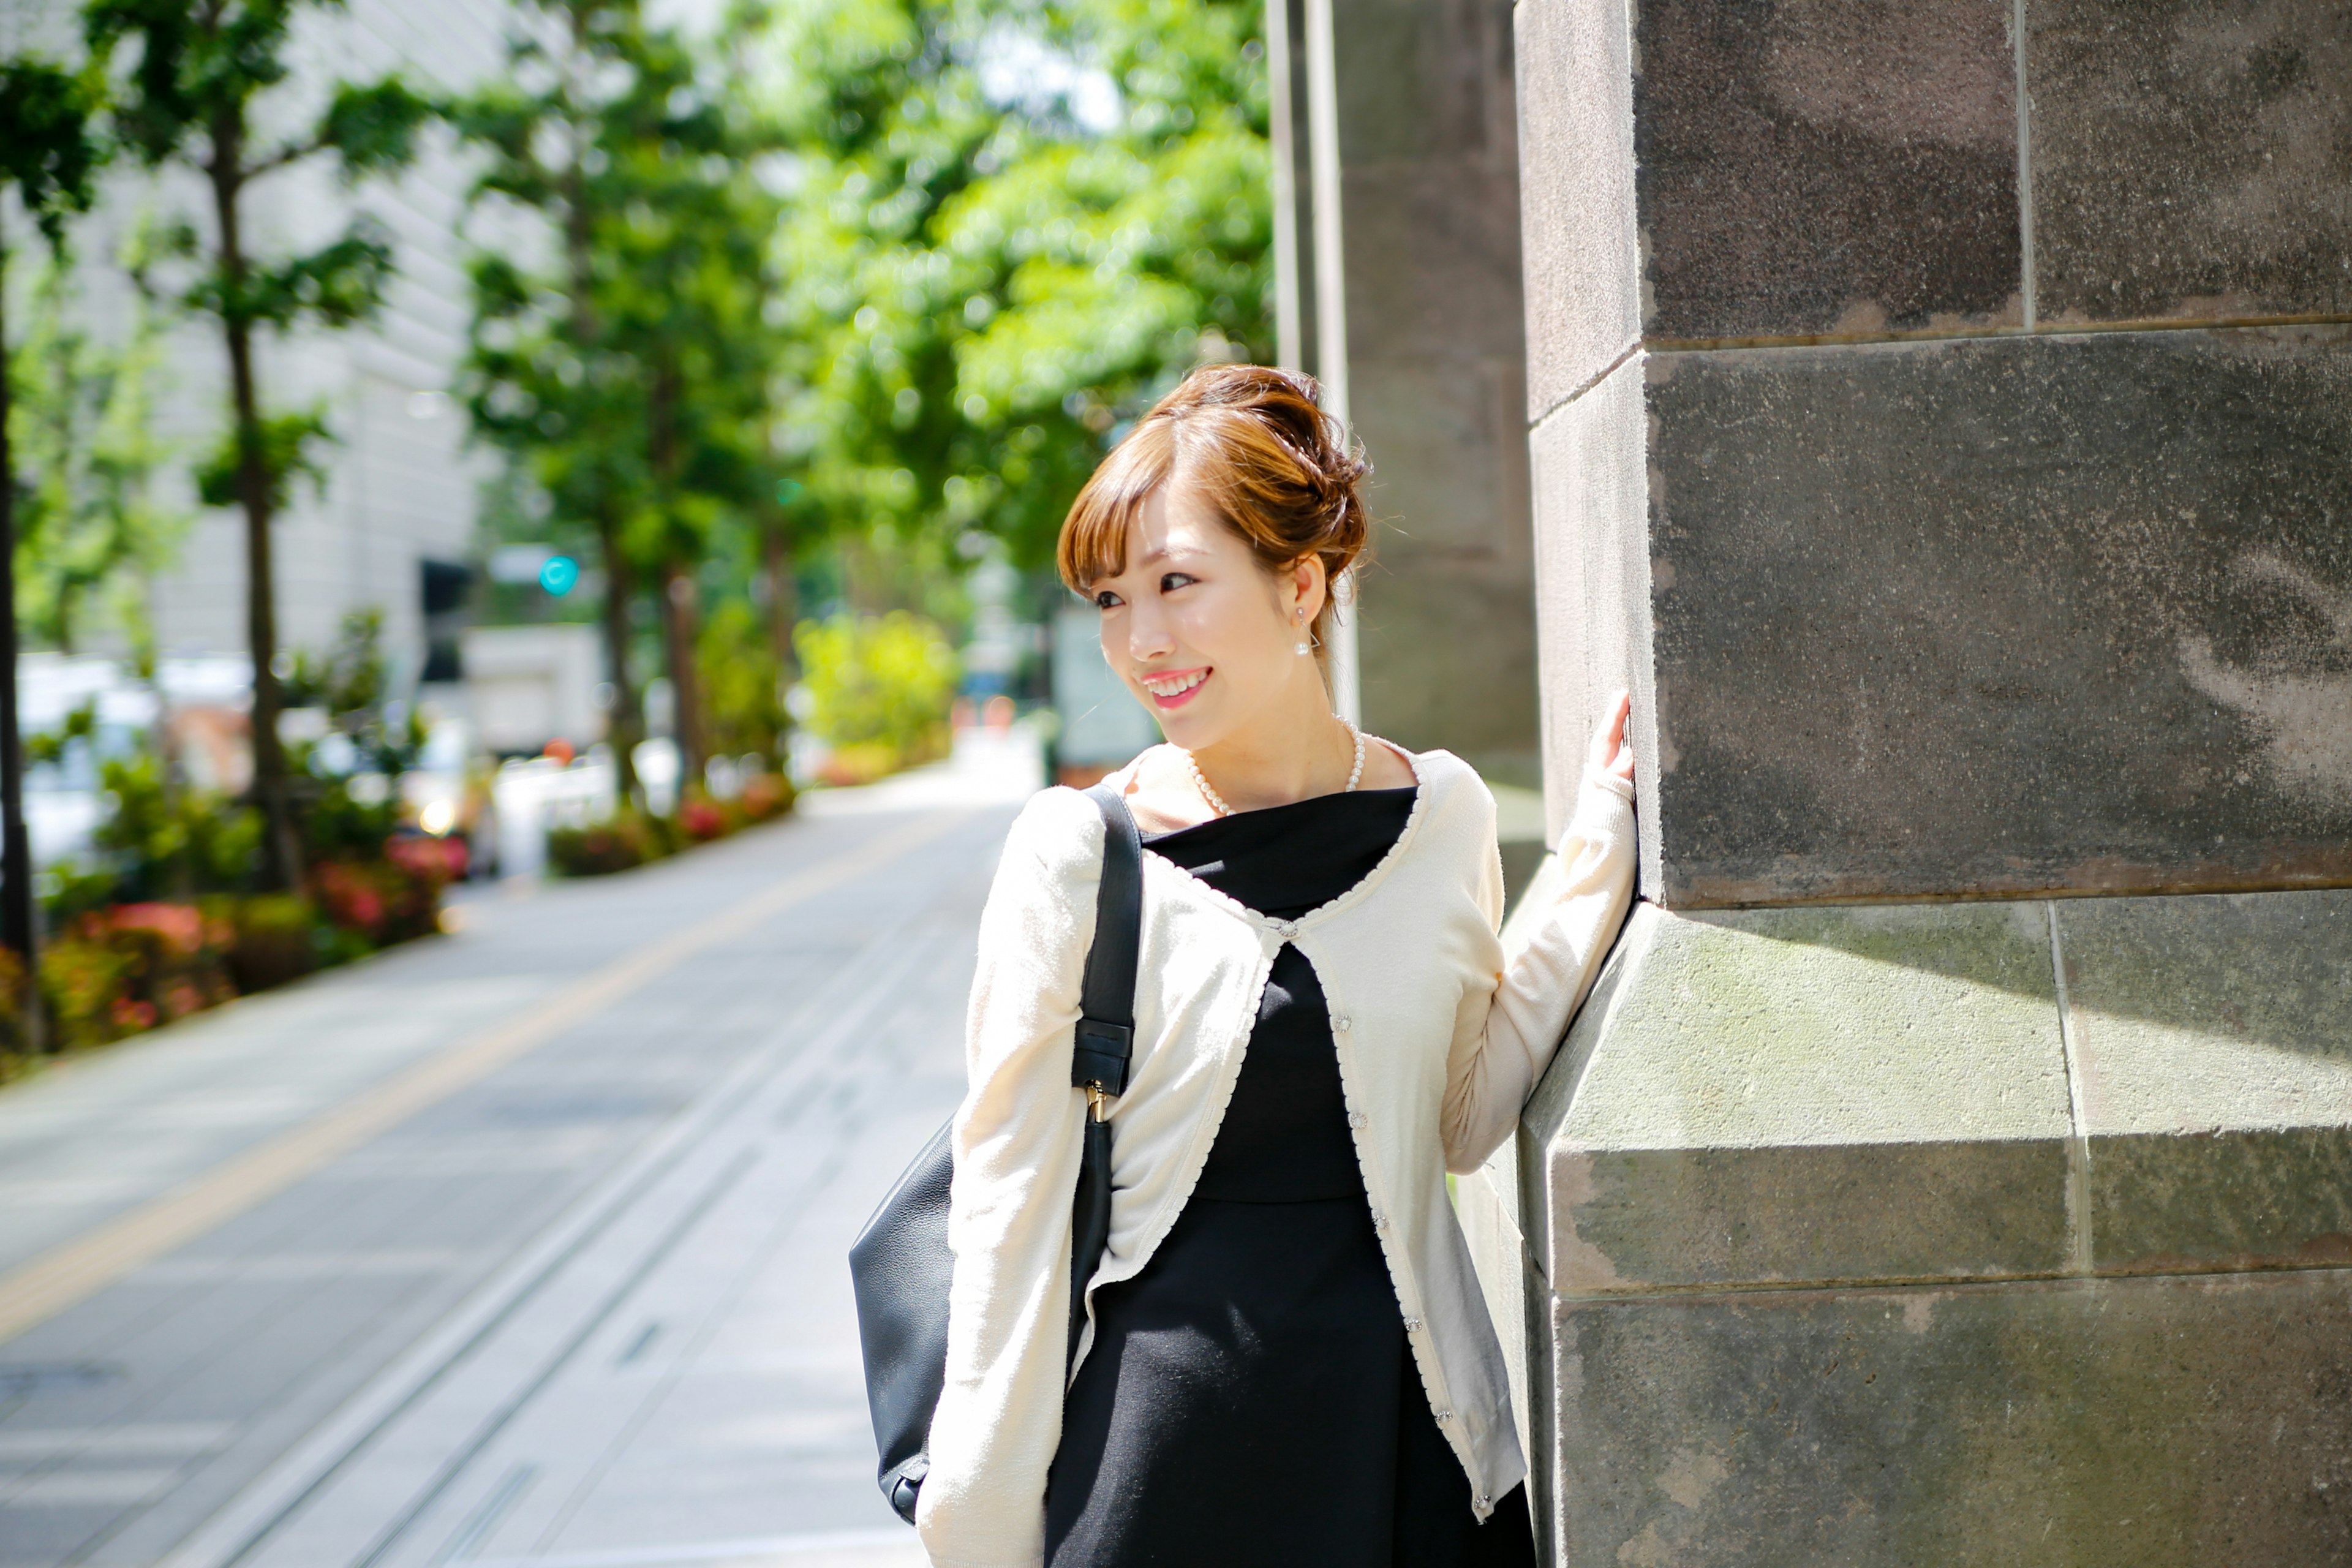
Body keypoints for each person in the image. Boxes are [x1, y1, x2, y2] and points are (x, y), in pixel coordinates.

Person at [918, 364, 1636, 1568]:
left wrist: (1600, 851)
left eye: (1179, 584)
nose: (1142, 641)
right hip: (1164, 1466)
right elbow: (1008, 1214)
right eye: (1109, 598)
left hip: (1405, 1444)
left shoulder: (1437, 813)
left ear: (1300, 585)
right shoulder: (1080, 855)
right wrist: (980, 1531)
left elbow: (1460, 1116)